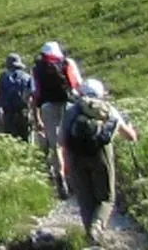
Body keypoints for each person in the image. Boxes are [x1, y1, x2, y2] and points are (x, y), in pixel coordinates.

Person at [60, 79, 138, 243]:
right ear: (101, 93)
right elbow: (130, 137)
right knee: (106, 198)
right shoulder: (107, 109)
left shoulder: (71, 110)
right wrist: (130, 128)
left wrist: (66, 165)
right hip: (101, 155)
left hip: (76, 157)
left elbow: (62, 141)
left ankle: (90, 236)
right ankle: (97, 228)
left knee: (85, 198)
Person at [33, 41, 85, 197]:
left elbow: (35, 93)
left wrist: (36, 117)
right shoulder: (68, 63)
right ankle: (73, 176)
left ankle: (60, 174)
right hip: (69, 104)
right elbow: (78, 84)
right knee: (70, 140)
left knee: (56, 144)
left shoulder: (37, 68)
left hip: (47, 106)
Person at [0, 53, 35, 143]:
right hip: (23, 112)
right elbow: (31, 97)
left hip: (8, 114)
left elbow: (0, 97)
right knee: (26, 139)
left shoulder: (3, 77)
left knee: (11, 140)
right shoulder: (27, 77)